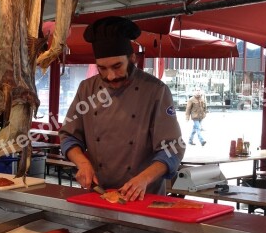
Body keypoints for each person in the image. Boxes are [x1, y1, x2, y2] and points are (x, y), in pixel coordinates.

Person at [59, 16, 185, 201]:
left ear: (132, 58)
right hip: (99, 194)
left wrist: (144, 178)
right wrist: (82, 162)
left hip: (143, 196)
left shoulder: (156, 91)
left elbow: (172, 148)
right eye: (102, 68)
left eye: (117, 67)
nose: (110, 76)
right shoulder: (87, 89)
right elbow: (69, 136)